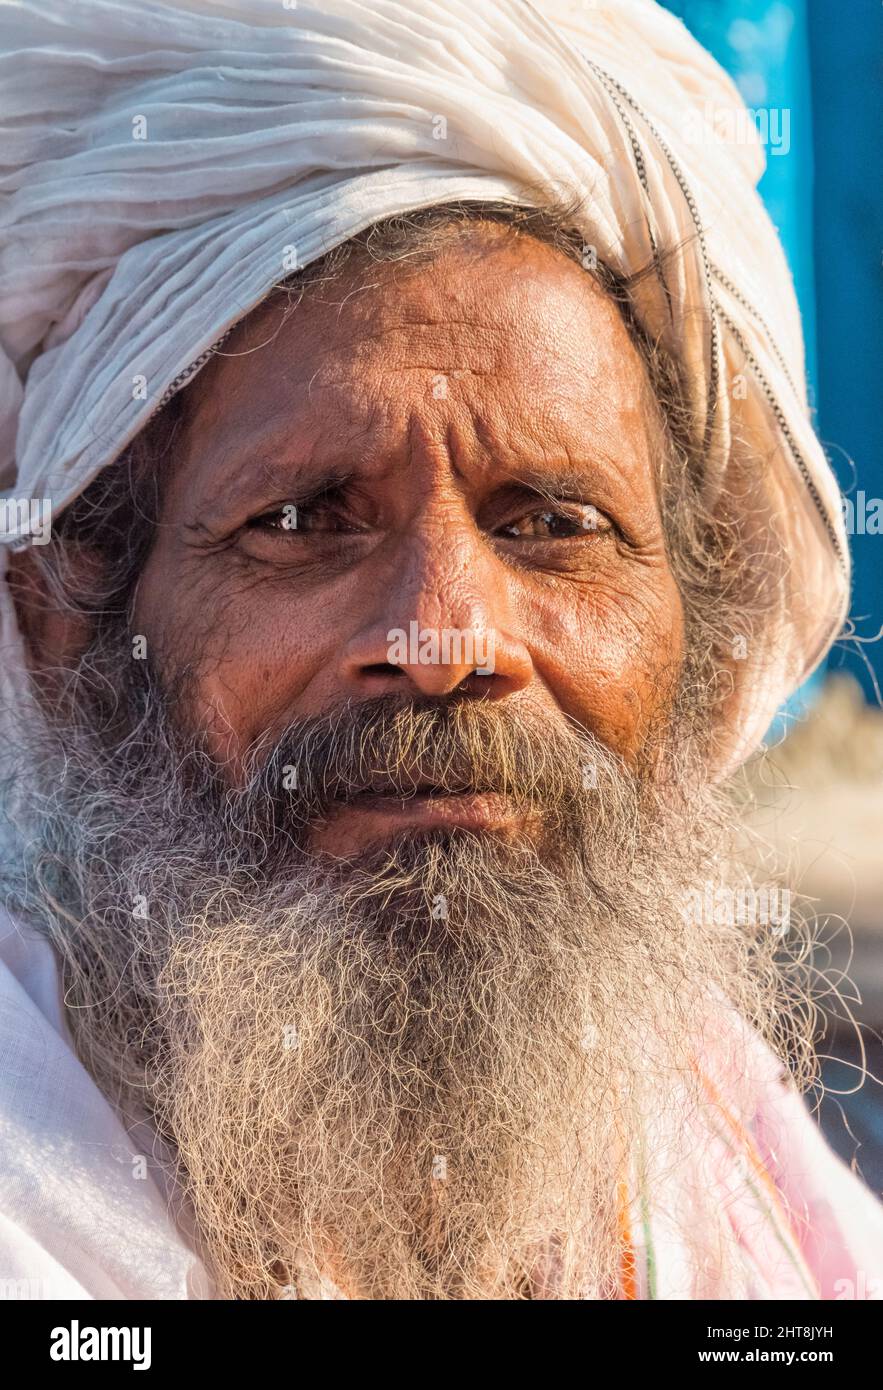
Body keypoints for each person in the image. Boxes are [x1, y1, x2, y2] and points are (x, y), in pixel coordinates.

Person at [0, 0, 879, 1300]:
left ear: (698, 641)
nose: (446, 636)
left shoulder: (720, 1162)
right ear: (66, 622)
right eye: (302, 520)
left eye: (554, 524)